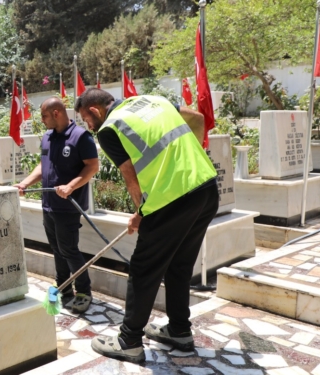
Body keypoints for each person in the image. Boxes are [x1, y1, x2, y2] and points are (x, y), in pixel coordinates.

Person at [75, 89, 219, 363]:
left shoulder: (110, 128)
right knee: (179, 266)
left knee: (143, 269)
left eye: (86, 119)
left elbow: (131, 179)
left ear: (95, 110)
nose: (89, 126)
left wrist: (140, 212)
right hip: (205, 188)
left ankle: (128, 341)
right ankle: (179, 331)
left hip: (170, 201)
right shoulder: (155, 100)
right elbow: (198, 118)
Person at [15, 97, 99, 314]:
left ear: (56, 113)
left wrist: (71, 186)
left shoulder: (80, 137)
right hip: (49, 205)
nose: (41, 120)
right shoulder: (48, 137)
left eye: (44, 116)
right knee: (57, 250)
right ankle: (64, 289)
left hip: (68, 206)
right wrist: (25, 183)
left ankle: (83, 292)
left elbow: (92, 166)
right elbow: (43, 166)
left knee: (69, 249)